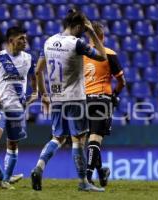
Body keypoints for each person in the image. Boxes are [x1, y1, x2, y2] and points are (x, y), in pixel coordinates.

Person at [30, 10, 107, 192]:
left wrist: (44, 94)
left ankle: (38, 168)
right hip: (75, 98)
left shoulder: (48, 42)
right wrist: (92, 32)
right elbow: (103, 56)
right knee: (78, 139)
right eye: (83, 27)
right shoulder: (77, 44)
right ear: (79, 26)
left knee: (58, 137)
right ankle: (83, 182)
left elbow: (37, 70)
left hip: (56, 98)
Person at [0, 26, 38, 189]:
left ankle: (5, 180)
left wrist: (36, 92)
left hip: (18, 109)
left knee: (13, 144)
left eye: (25, 38)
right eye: (21, 39)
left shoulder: (28, 58)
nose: (25, 41)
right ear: (11, 41)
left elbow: (34, 76)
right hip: (0, 106)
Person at [83, 22, 126, 187]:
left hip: (84, 100)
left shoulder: (82, 54)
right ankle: (88, 177)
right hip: (102, 99)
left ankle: (101, 172)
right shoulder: (109, 53)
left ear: (89, 36)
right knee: (95, 138)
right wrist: (115, 95)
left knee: (90, 139)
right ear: (103, 36)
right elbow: (122, 81)